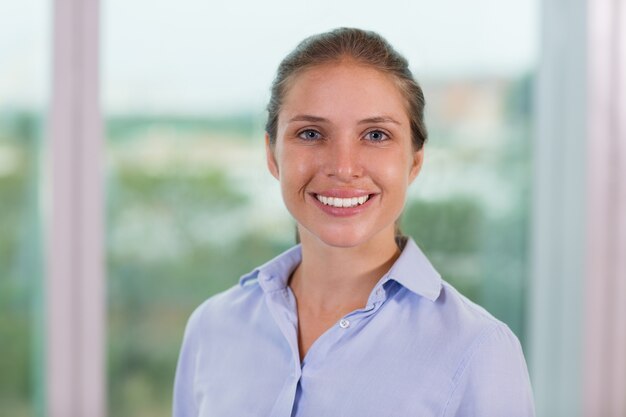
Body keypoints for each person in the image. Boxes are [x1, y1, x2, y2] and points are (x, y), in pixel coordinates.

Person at [173, 27, 535, 417]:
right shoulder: (212, 328)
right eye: (311, 133)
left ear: (414, 160)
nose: (343, 168)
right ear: (273, 155)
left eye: (376, 135)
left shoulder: (478, 349)